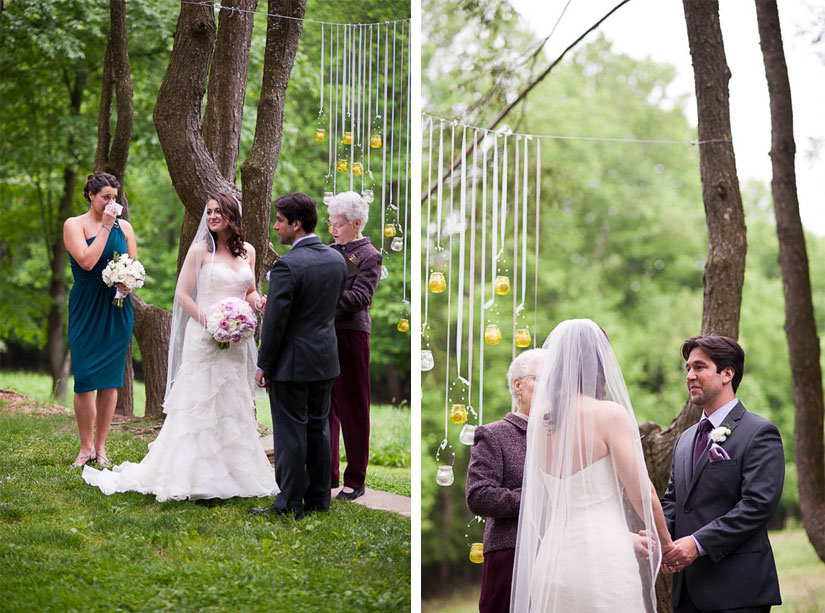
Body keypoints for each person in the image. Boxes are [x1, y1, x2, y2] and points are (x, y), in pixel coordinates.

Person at [83, 193, 277, 502]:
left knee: (231, 402)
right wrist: (210, 320)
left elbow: (249, 289)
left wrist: (257, 302)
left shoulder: (248, 252)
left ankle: (234, 473)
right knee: (200, 402)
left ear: (232, 215)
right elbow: (183, 295)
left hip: (237, 338)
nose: (212, 216)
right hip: (204, 336)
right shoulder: (200, 251)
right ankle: (193, 475)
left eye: (218, 211)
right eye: (209, 211)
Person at [511, 319, 673, 613]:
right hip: (602, 561)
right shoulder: (609, 415)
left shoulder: (540, 420)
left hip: (552, 562)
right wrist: (666, 543)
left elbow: (558, 500)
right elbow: (643, 492)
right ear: (599, 362)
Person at [661, 335, 784, 612]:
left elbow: (757, 505)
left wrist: (697, 543)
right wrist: (657, 538)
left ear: (727, 373)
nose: (690, 375)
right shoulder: (684, 440)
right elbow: (674, 502)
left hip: (738, 592)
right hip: (686, 593)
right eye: (688, 369)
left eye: (699, 367)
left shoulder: (759, 433)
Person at [250, 193, 347, 519]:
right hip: (325, 359)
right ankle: (319, 500)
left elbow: (275, 324)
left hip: (292, 363)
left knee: (290, 434)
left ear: (296, 223)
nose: (275, 226)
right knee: (319, 430)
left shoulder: (287, 265)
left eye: (279, 220)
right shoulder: (336, 260)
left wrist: (264, 363)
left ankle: (288, 502)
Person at [63, 172, 138, 468]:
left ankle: (101, 448)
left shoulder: (126, 227)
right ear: (91, 196)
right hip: (86, 305)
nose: (111, 203)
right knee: (84, 379)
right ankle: (84, 448)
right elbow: (87, 261)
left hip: (116, 307)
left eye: (115, 198)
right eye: (105, 197)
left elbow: (133, 266)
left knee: (109, 381)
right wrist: (105, 227)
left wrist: (128, 283)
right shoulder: (74, 225)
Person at [466, 348, 545, 613]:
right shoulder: (494, 434)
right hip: (510, 552)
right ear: (518, 385)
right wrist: (534, 498)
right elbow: (478, 496)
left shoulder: (563, 438)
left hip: (558, 553)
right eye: (541, 379)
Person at [326, 191, 383, 501]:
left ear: (357, 223)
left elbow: (360, 299)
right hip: (324, 334)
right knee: (327, 407)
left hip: (351, 335)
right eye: (330, 223)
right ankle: (329, 472)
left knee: (354, 409)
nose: (332, 229)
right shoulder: (329, 249)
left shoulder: (369, 254)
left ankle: (355, 478)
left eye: (338, 224)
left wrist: (324, 292)